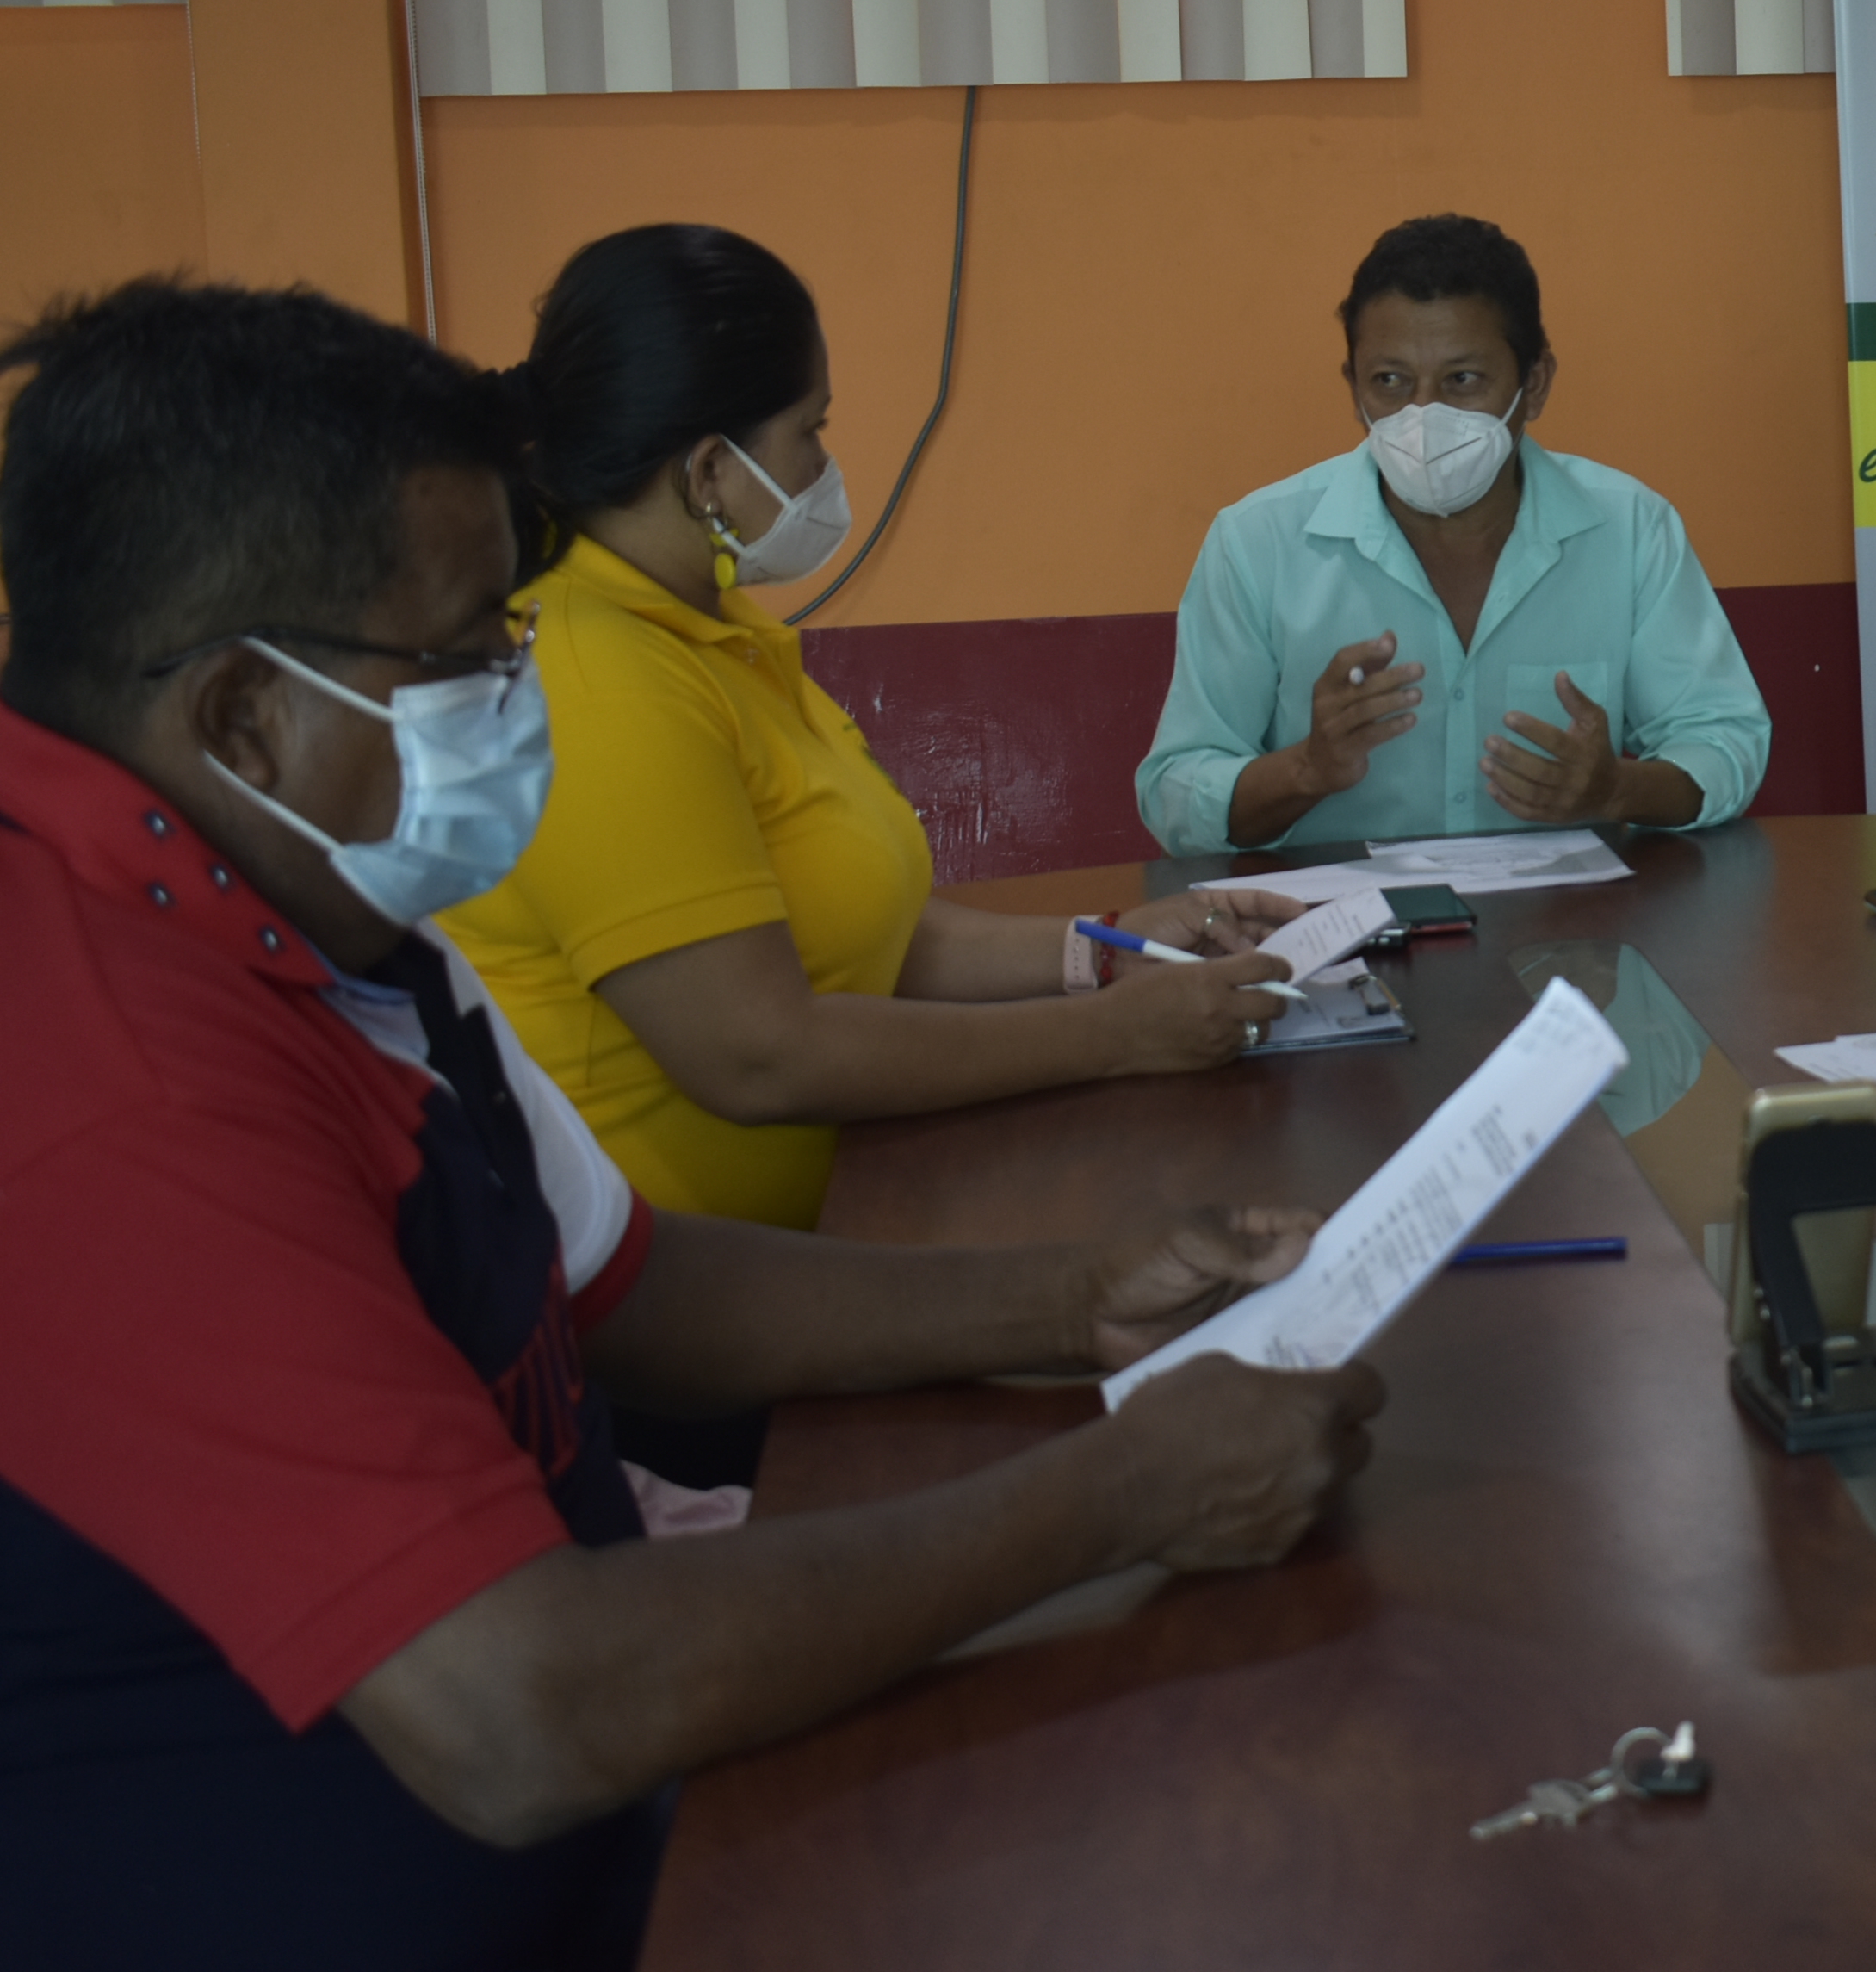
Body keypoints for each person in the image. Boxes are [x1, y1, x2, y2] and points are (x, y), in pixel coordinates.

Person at [0, 280, 1380, 1971]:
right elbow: (523, 1708)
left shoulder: (335, 915)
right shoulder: (96, 1081)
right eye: (466, 658)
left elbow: (628, 1284)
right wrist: (1126, 1493)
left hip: (620, 1829)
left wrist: (1078, 1296)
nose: (516, 695)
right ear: (242, 716)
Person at [445, 226, 1301, 1237]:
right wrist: (1114, 1035)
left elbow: (874, 931)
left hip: (846, 1202)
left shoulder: (710, 631)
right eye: (810, 430)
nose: (824, 465)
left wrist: (1112, 949)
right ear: (710, 470)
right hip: (680, 1282)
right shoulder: (596, 680)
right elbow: (758, 1056)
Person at [1137, 212, 1771, 856]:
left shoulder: (1630, 528)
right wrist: (1306, 769)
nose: (1423, 416)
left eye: (1462, 380)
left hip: (1567, 914)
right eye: (1389, 381)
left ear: (1535, 384)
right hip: (1333, 917)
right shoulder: (1257, 543)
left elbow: (1724, 741)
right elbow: (1174, 795)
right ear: (1353, 387)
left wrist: (1617, 791)